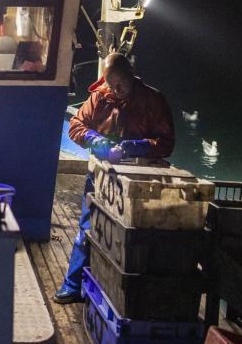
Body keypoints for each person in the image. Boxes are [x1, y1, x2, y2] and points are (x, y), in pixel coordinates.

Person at [53, 52, 175, 304]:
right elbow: (76, 125)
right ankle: (73, 285)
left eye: (120, 84)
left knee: (133, 236)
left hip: (138, 181)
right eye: (111, 84)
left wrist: (135, 146)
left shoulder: (153, 100)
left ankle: (128, 294)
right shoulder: (100, 97)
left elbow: (166, 143)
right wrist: (94, 140)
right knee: (88, 227)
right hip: (101, 176)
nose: (116, 90)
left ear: (132, 76)